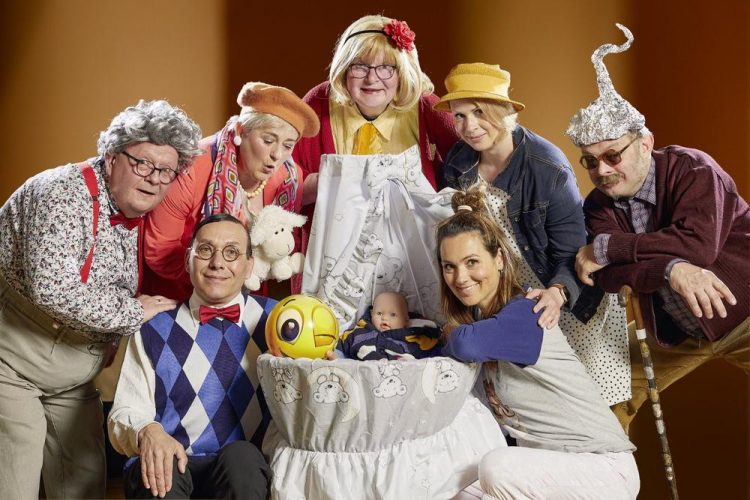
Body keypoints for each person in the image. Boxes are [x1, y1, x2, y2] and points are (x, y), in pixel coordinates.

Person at [0, 100, 202, 499]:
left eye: (166, 171)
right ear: (111, 157)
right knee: (16, 480)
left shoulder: (135, 209)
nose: (154, 179)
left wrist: (108, 338)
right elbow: (51, 287)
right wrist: (132, 312)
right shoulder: (60, 192)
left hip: (74, 378)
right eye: (143, 164)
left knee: (84, 484)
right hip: (14, 364)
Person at [568, 24, 750, 431]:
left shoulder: (694, 170)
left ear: (645, 143)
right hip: (681, 332)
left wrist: (610, 248)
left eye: (612, 155)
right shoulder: (597, 205)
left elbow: (697, 246)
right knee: (601, 400)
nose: (602, 170)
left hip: (746, 315)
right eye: (590, 161)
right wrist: (670, 269)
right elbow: (609, 278)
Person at [434, 62, 630, 406]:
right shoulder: (458, 163)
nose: (469, 126)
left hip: (568, 299)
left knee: (591, 403)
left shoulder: (547, 167)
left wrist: (556, 293)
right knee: (530, 406)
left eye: (479, 112)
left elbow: (573, 252)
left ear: (504, 111)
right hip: (515, 304)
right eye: (459, 116)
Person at [438, 190, 639, 499]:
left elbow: (464, 344)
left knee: (496, 467)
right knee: (455, 486)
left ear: (499, 259)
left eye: (472, 262)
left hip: (603, 468)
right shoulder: (484, 323)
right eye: (449, 266)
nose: (460, 277)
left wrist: (447, 330)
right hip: (554, 472)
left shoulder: (525, 312)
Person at [108, 214, 275, 499]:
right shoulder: (153, 326)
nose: (217, 263)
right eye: (206, 250)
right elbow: (124, 412)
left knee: (242, 459)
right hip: (172, 464)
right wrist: (147, 430)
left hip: (243, 471)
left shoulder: (280, 321)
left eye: (231, 252)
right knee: (161, 471)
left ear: (249, 266)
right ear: (188, 260)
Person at [292, 14, 459, 291]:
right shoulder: (318, 103)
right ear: (344, 68)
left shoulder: (424, 106)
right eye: (359, 66)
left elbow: (468, 163)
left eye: (386, 68)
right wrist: (333, 183)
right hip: (335, 256)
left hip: (411, 252)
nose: (372, 78)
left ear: (403, 71)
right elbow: (285, 185)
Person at [144, 82, 320, 300]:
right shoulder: (191, 168)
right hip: (180, 299)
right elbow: (159, 251)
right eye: (268, 140)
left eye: (288, 146)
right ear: (240, 131)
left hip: (247, 300)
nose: (277, 155)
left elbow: (309, 188)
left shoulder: (287, 176)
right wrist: (220, 280)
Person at [338, 291, 441, 360]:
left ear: (406, 320)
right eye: (379, 313)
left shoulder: (415, 337)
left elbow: (435, 356)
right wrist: (337, 357)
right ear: (371, 314)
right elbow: (340, 346)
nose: (385, 318)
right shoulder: (359, 333)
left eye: (393, 315)